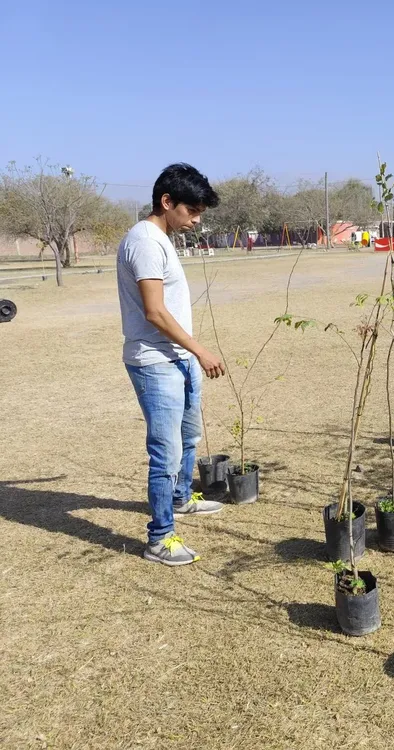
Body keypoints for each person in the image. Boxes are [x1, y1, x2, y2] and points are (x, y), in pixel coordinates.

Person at [117, 163, 226, 566]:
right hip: (155, 362)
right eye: (192, 211)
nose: (196, 221)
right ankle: (159, 538)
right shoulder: (145, 241)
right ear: (167, 202)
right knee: (165, 451)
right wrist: (201, 350)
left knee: (188, 436)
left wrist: (190, 355)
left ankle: (180, 498)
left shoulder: (162, 239)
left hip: (177, 359)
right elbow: (154, 313)